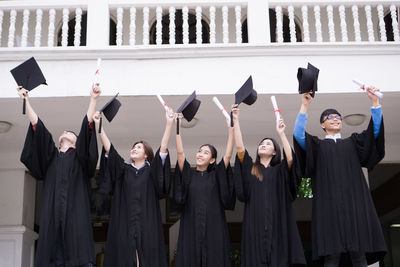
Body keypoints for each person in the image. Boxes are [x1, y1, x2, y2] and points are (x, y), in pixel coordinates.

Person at [293, 87, 387, 266]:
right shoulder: (317, 146)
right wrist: (305, 105)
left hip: (355, 206)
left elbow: (374, 133)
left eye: (338, 117)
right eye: (330, 117)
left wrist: (375, 102)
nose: (335, 119)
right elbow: (298, 135)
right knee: (332, 256)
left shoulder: (352, 142)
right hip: (328, 208)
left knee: (359, 255)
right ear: (322, 124)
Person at [19, 84, 100, 267]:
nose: (65, 132)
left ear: (77, 142)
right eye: (63, 132)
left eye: (71, 133)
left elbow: (87, 127)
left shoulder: (80, 159)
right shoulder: (51, 158)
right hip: (53, 222)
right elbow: (37, 127)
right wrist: (26, 101)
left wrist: (93, 99)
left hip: (75, 222)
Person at [93, 107, 174, 267]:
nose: (134, 149)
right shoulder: (124, 170)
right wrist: (99, 126)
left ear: (146, 154)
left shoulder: (151, 171)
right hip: (125, 220)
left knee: (147, 253)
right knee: (124, 253)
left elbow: (163, 149)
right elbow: (110, 148)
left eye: (139, 147)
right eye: (133, 147)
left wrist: (169, 124)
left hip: (147, 220)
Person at [232, 104, 306, 267]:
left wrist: (281, 134)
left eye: (268, 143)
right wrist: (235, 121)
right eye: (261, 144)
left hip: (278, 222)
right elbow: (239, 148)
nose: (263, 145)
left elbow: (291, 160)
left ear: (274, 152)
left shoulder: (280, 171)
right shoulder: (251, 169)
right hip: (255, 224)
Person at [173, 114, 236, 267]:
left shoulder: (217, 175)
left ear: (212, 160)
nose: (200, 154)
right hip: (191, 224)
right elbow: (180, 154)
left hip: (214, 225)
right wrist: (177, 127)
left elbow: (228, 154)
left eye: (206, 152)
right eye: (200, 151)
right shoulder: (188, 174)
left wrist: (231, 128)